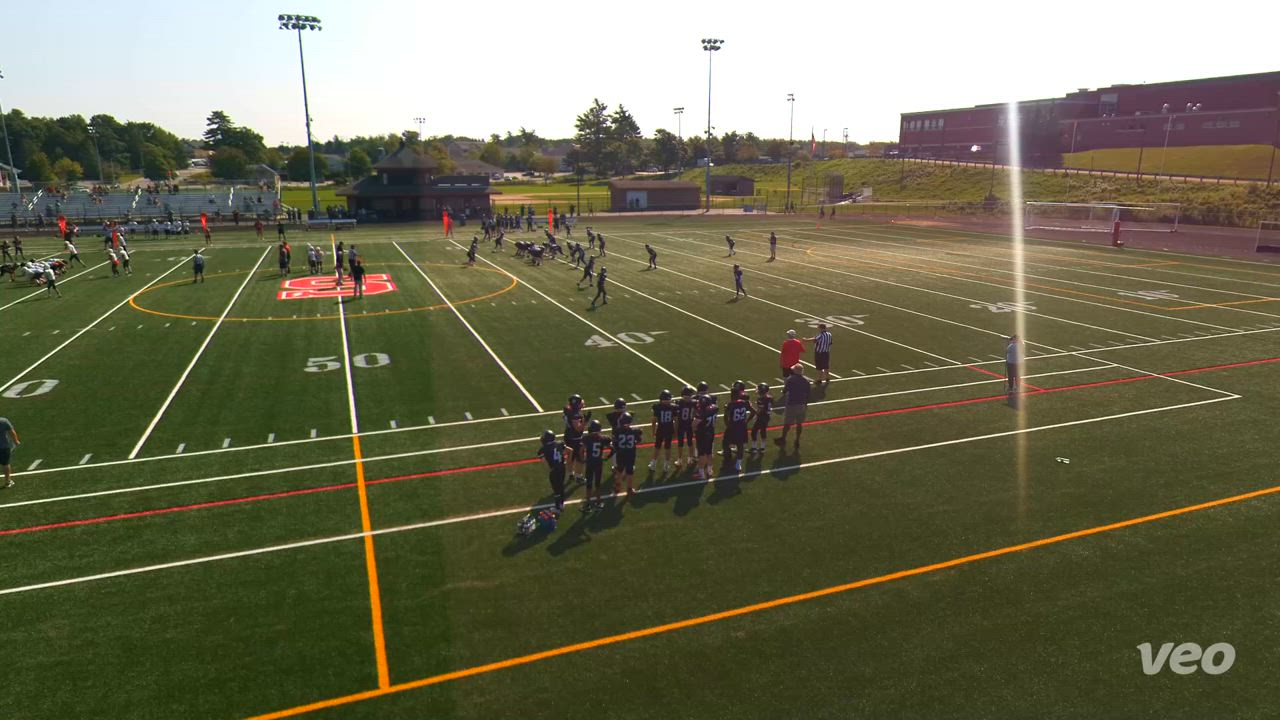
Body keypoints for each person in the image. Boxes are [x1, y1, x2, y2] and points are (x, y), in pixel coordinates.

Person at [777, 364, 811, 452]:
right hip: (802, 405)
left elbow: (785, 391)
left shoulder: (790, 379)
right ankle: (797, 440)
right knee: (799, 423)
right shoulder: (806, 381)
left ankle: (783, 438)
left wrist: (783, 391)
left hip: (791, 404)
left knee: (787, 423)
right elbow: (808, 394)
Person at [723, 386, 754, 473]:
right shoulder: (745, 403)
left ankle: (728, 458)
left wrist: (728, 425)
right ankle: (738, 464)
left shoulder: (730, 404)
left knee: (725, 443)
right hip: (742, 427)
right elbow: (753, 412)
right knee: (740, 445)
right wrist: (747, 421)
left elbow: (726, 417)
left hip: (733, 427)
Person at [582, 419, 609, 512]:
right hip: (598, 462)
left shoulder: (586, 438)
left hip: (590, 462)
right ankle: (598, 502)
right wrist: (606, 458)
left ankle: (588, 503)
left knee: (589, 484)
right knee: (597, 483)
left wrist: (582, 459)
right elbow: (613, 448)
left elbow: (581, 450)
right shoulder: (603, 438)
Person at [537, 429, 568, 511]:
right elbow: (570, 450)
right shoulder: (560, 444)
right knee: (561, 486)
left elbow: (545, 462)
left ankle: (558, 507)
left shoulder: (543, 450)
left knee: (556, 489)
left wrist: (550, 470)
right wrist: (565, 461)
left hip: (554, 470)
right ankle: (561, 504)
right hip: (562, 467)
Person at [612, 413, 642, 498]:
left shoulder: (617, 431)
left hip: (620, 453)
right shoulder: (635, 431)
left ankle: (617, 486)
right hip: (630, 454)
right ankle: (629, 488)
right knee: (630, 471)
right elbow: (639, 440)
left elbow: (614, 443)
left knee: (619, 470)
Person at [648, 389, 676, 472]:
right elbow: (676, 420)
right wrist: (675, 431)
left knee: (657, 446)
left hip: (660, 429)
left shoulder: (657, 407)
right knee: (668, 447)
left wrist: (653, 431)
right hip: (669, 429)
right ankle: (666, 465)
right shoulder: (673, 407)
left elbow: (654, 420)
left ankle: (653, 464)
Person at [693, 393, 718, 481]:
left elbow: (695, 424)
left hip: (702, 434)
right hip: (711, 432)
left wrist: (694, 430)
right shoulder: (714, 408)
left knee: (702, 454)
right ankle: (710, 471)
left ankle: (701, 474)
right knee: (709, 452)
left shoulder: (702, 412)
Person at [675, 385, 697, 469]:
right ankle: (690, 459)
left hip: (681, 424)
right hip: (689, 424)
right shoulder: (694, 402)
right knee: (690, 442)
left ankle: (680, 459)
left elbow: (676, 416)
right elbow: (695, 413)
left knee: (680, 442)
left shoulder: (679, 402)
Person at [749, 383, 773, 456]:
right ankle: (762, 447)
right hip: (767, 416)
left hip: (762, 417)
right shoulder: (769, 398)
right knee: (763, 430)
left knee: (754, 431)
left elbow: (760, 410)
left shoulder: (760, 399)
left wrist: (756, 415)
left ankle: (754, 447)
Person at [0, 416, 19, 488]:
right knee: (5, 464)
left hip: (4, 447)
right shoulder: (3, 421)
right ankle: (7, 481)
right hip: (4, 447)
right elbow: (12, 432)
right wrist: (16, 441)